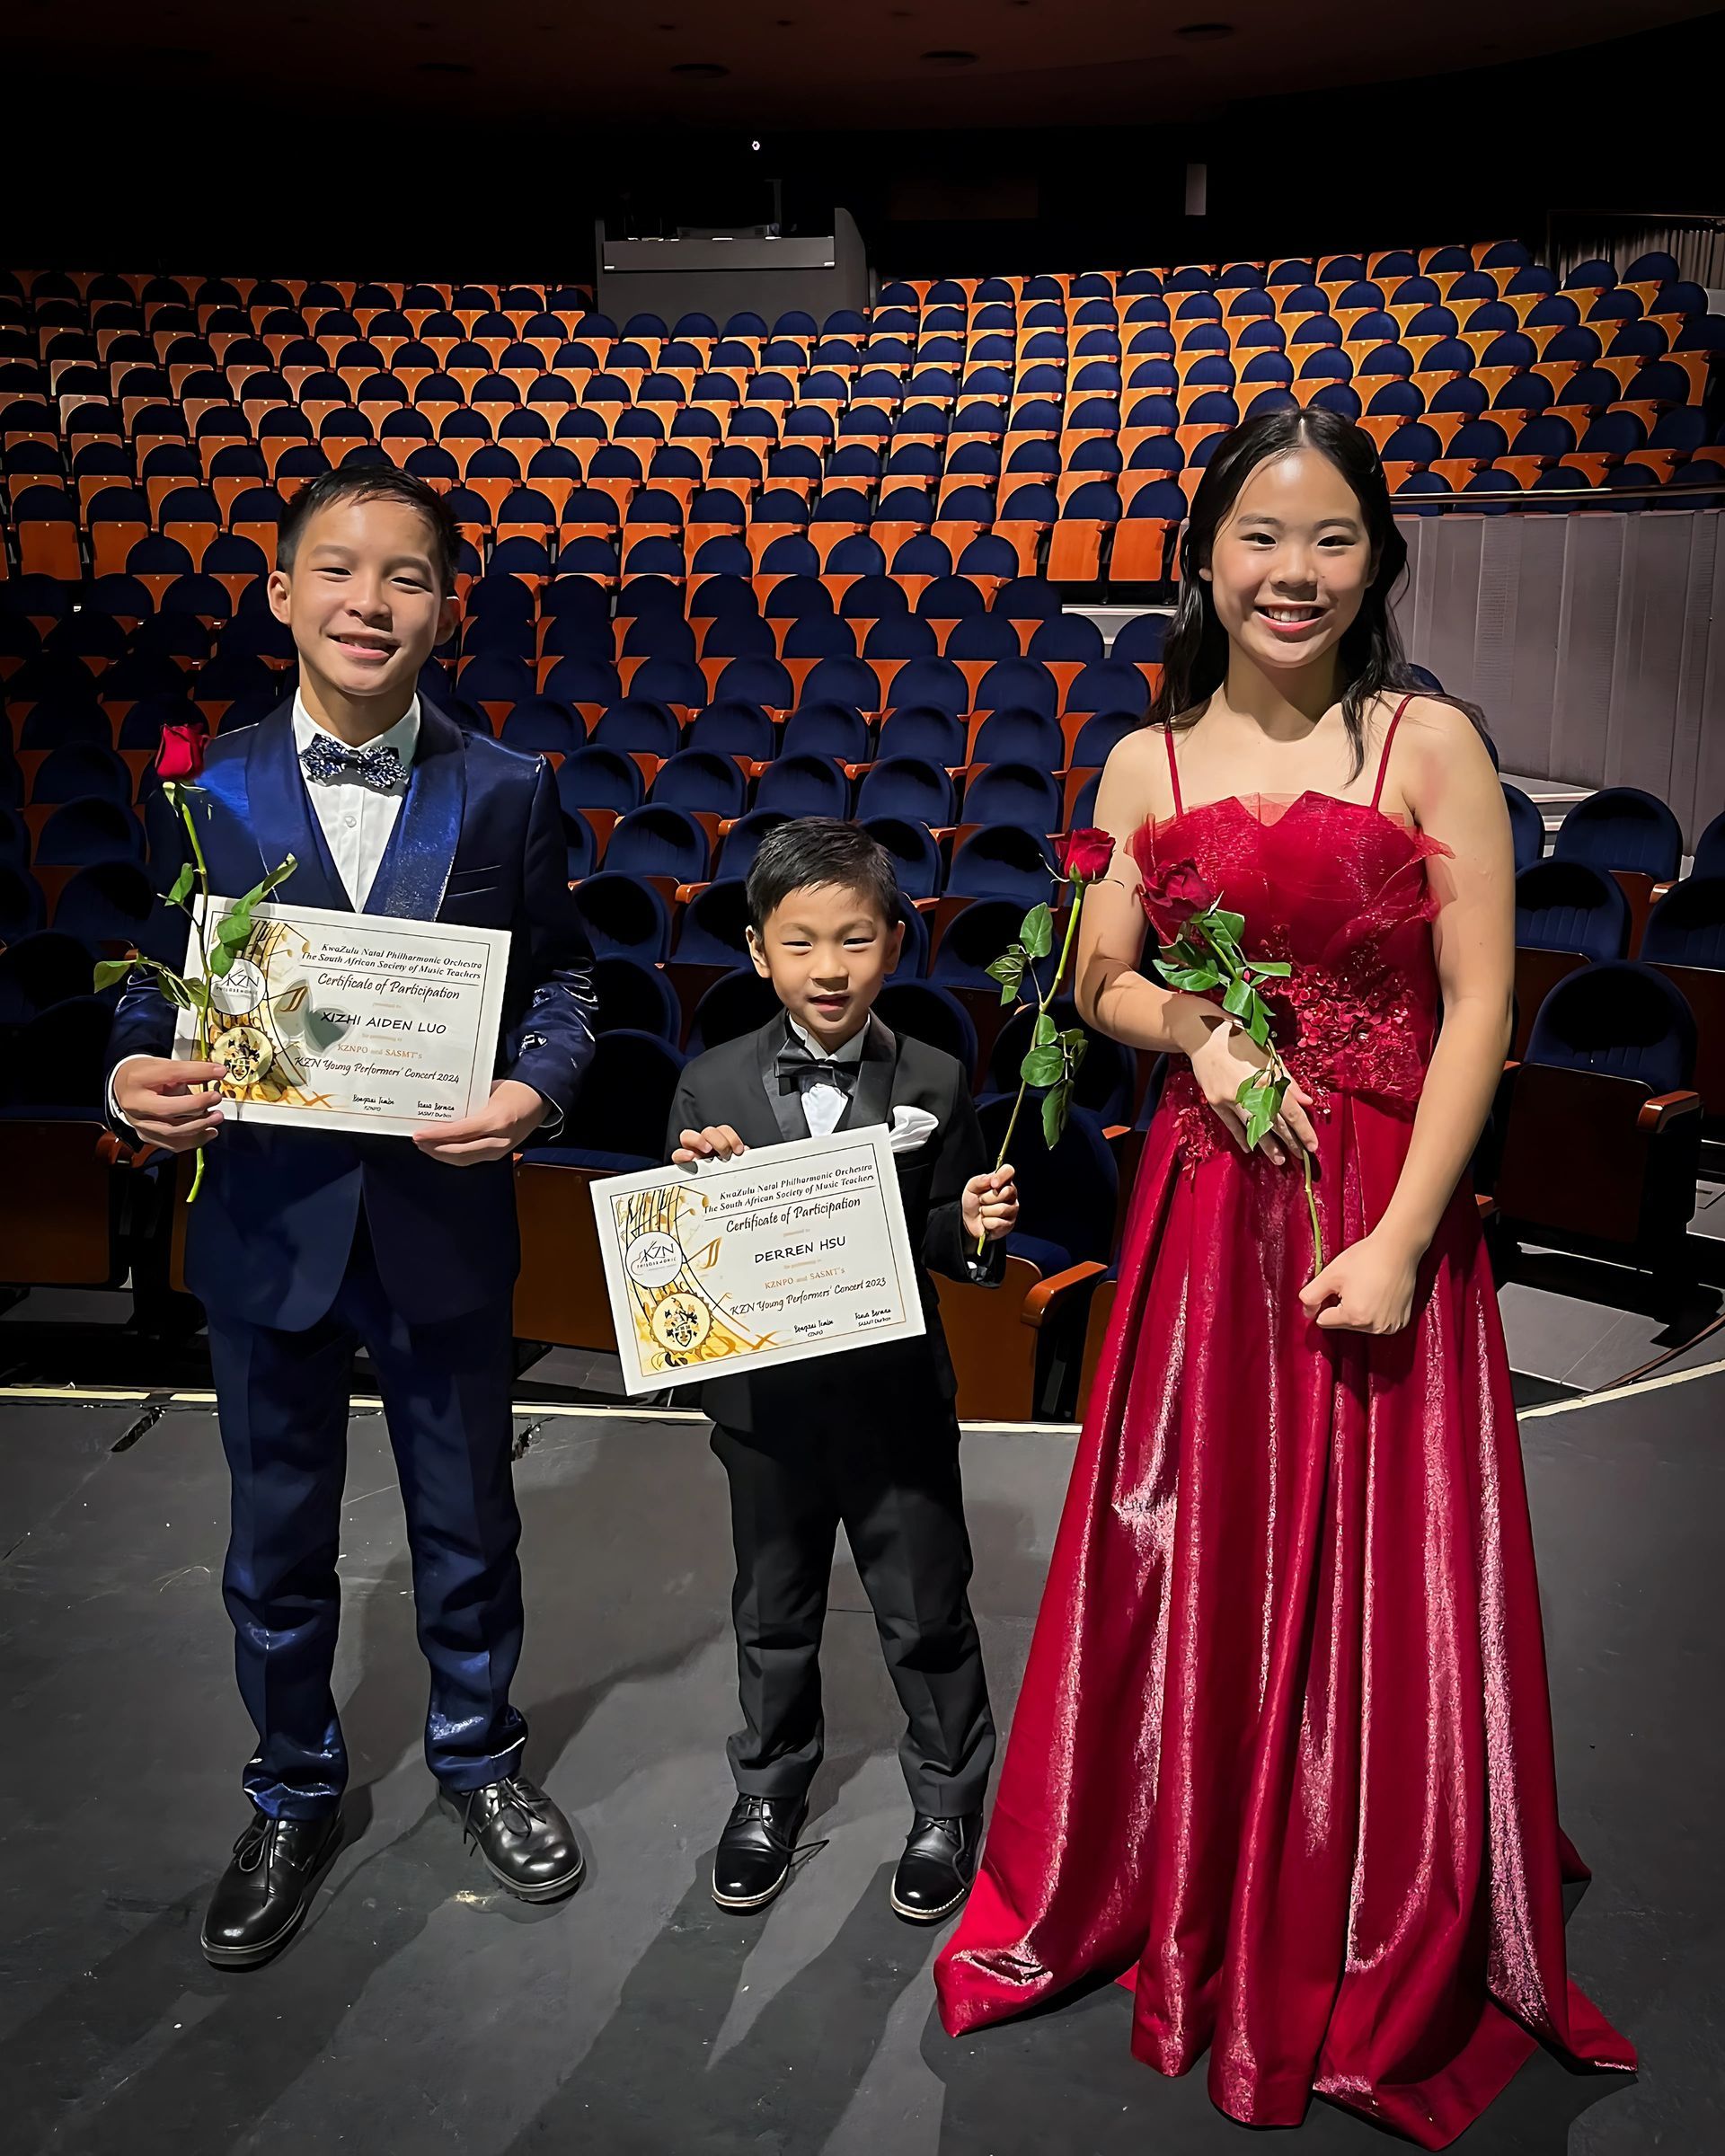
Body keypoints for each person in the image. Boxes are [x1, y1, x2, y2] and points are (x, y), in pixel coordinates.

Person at [934, 408, 1636, 2145]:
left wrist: (1403, 1240)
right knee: (1195, 1539)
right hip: (1204, 1207)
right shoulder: (1143, 764)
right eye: (1260, 535)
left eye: (1332, 539)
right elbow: (1100, 979)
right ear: (1202, 557)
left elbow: (1481, 1006)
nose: (1294, 572)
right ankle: (1189, 1852)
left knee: (1383, 1552)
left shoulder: (1428, 742)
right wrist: (1194, 1028)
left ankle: (1364, 1878)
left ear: (1378, 561)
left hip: (1382, 1195)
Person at [107, 467, 598, 1967]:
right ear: (280, 592)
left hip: (442, 1219)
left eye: (406, 576)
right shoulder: (203, 788)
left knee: (470, 1517)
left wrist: (533, 1094)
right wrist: (130, 1073)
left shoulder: (508, 788)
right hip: (268, 1226)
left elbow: (565, 983)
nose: (368, 603)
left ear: (447, 607)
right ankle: (291, 1788)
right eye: (336, 569)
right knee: (273, 1538)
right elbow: (155, 979)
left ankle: (480, 1755)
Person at [668, 818, 1018, 1922]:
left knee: (926, 1612)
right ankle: (769, 1789)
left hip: (895, 1402)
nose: (830, 968)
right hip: (765, 1411)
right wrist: (698, 1191)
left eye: (856, 940)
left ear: (896, 943)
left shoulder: (937, 1078)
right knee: (773, 1611)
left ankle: (946, 1799)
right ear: (757, 951)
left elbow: (948, 1241)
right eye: (802, 942)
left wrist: (974, 1230)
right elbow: (682, 1257)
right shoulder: (708, 1084)